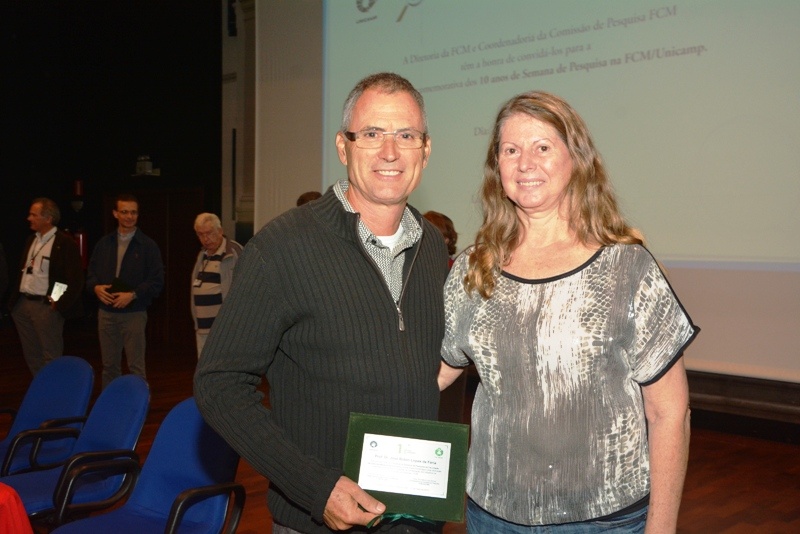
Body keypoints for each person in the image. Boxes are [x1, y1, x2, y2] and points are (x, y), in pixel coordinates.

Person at [194, 72, 448, 534]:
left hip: (415, 518)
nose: (389, 152)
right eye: (371, 134)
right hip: (321, 522)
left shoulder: (432, 247)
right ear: (342, 146)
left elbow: (410, 363)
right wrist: (315, 486)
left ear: (425, 150)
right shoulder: (282, 247)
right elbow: (218, 384)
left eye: (406, 136)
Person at [438, 91, 699, 533]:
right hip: (491, 516)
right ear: (496, 167)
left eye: (543, 147)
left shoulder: (626, 267)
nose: (525, 163)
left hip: (605, 521)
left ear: (576, 160)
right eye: (510, 149)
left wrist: (662, 529)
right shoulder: (472, 267)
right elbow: (435, 373)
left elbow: (670, 413)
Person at [86, 193, 164, 388]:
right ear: (115, 214)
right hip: (106, 313)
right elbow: (90, 274)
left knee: (136, 367)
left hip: (134, 314)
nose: (129, 216)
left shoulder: (148, 245)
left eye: (134, 212)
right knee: (109, 366)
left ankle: (137, 409)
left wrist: (133, 294)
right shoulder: (104, 243)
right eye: (124, 212)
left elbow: (157, 281)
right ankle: (110, 407)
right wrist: (95, 287)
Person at [8, 198, 84, 375]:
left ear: (48, 218)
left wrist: (55, 302)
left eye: (34, 215)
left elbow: (72, 279)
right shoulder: (31, 240)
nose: (29, 218)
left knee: (51, 355)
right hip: (23, 305)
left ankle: (54, 393)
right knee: (31, 354)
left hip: (45, 307)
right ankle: (39, 390)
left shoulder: (64, 243)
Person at [190, 212, 242, 358]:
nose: (206, 239)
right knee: (205, 373)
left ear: (220, 231)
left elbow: (245, 291)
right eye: (201, 235)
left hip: (227, 331)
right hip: (203, 329)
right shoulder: (202, 255)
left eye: (210, 233)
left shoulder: (234, 252)